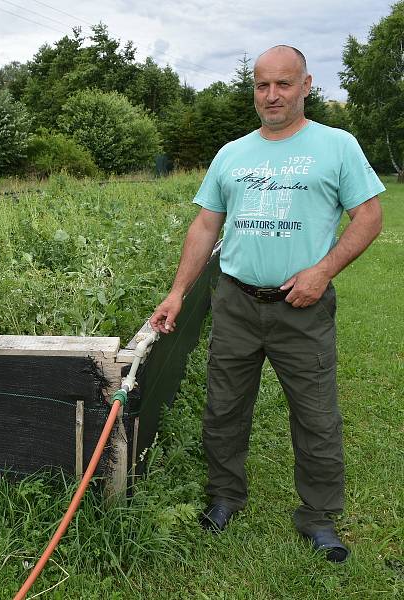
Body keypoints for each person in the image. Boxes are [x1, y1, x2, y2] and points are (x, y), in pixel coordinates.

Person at [149, 45, 384, 563]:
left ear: (305, 85)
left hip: (302, 306)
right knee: (224, 407)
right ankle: (225, 496)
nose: (271, 95)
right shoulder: (232, 154)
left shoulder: (336, 146)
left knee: (316, 413)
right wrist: (177, 292)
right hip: (235, 301)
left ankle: (318, 515)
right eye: (261, 85)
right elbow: (206, 224)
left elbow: (369, 217)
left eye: (283, 84)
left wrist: (322, 271)